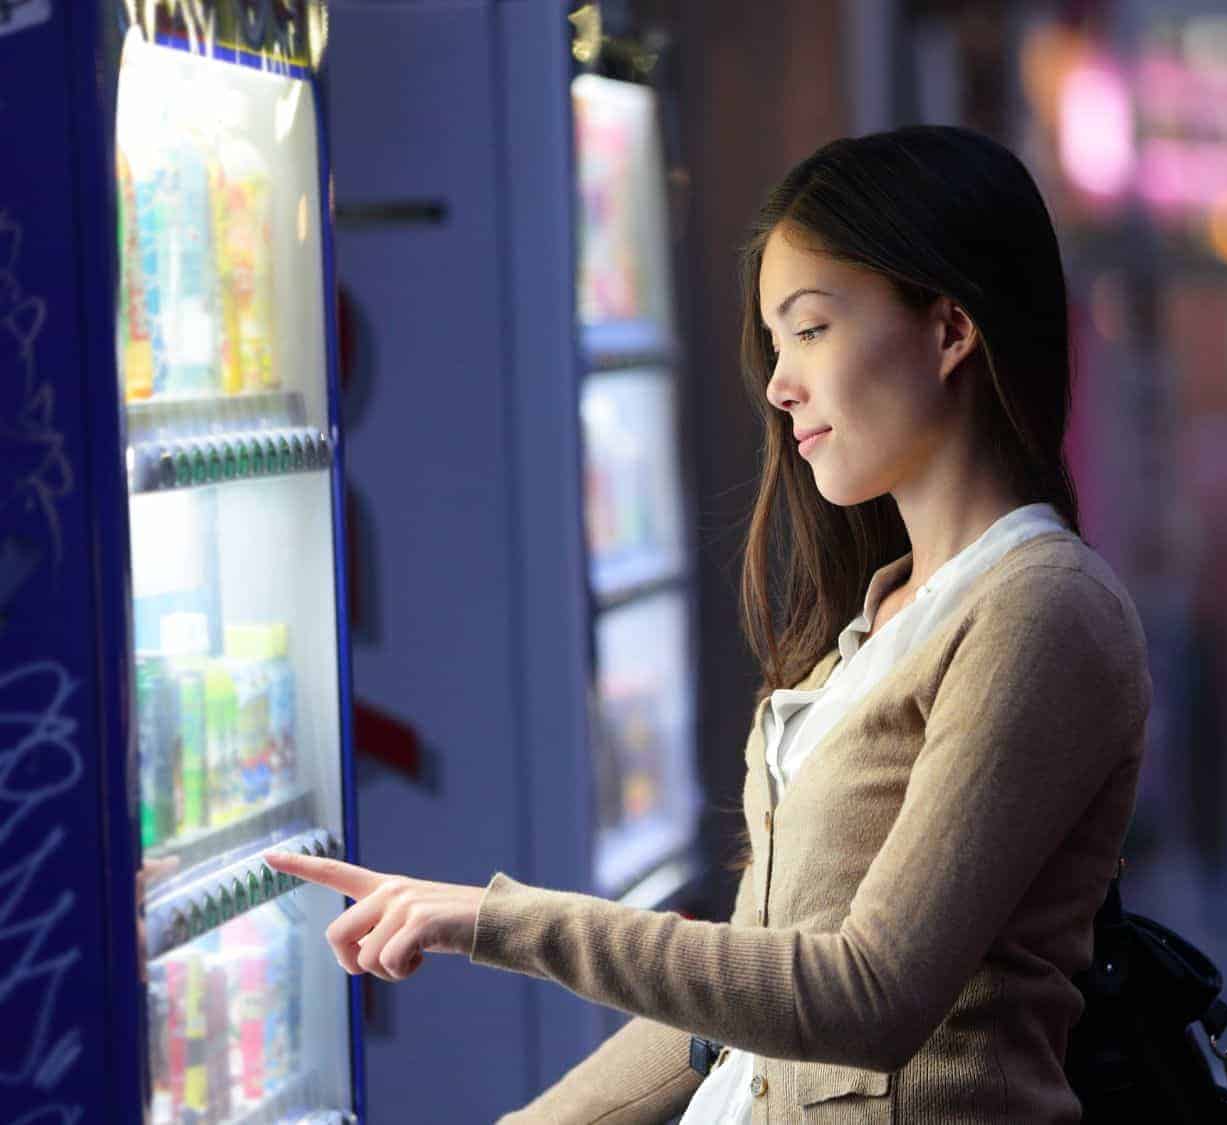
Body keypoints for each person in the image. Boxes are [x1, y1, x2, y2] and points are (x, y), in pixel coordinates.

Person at [268, 126, 1153, 1123]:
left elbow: (867, 996)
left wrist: (498, 920)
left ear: (949, 330)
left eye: (810, 329)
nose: (778, 384)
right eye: (774, 343)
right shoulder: (874, 625)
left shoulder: (1039, 610)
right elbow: (735, 1015)